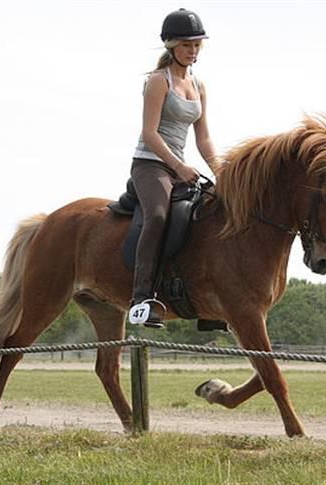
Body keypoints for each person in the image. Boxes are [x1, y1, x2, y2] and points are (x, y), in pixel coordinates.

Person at [128, 8, 222, 328]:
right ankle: (142, 297)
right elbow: (149, 134)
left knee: (214, 210)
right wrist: (180, 167)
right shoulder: (158, 81)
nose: (192, 50)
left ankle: (207, 301)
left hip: (179, 166)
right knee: (158, 215)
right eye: (186, 45)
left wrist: (222, 173)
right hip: (150, 165)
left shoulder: (200, 86)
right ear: (170, 45)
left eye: (197, 45)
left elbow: (204, 139)